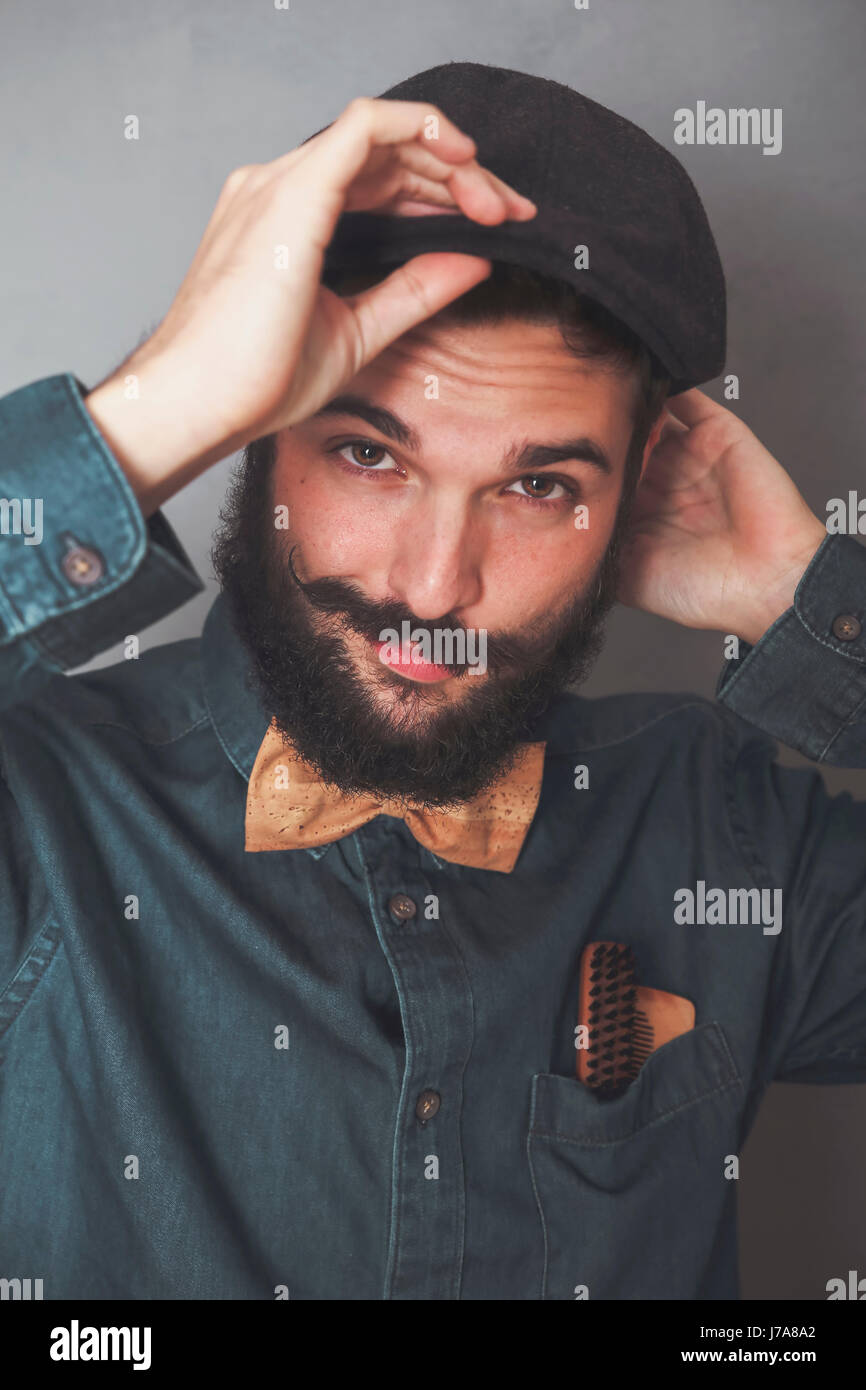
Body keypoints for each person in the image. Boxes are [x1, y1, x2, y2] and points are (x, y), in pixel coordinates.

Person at [0, 61, 863, 1302]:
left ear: (634, 504)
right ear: (256, 429)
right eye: (366, 453)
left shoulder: (721, 833)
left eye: (537, 487)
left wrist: (815, 609)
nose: (432, 585)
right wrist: (151, 415)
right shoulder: (38, 809)